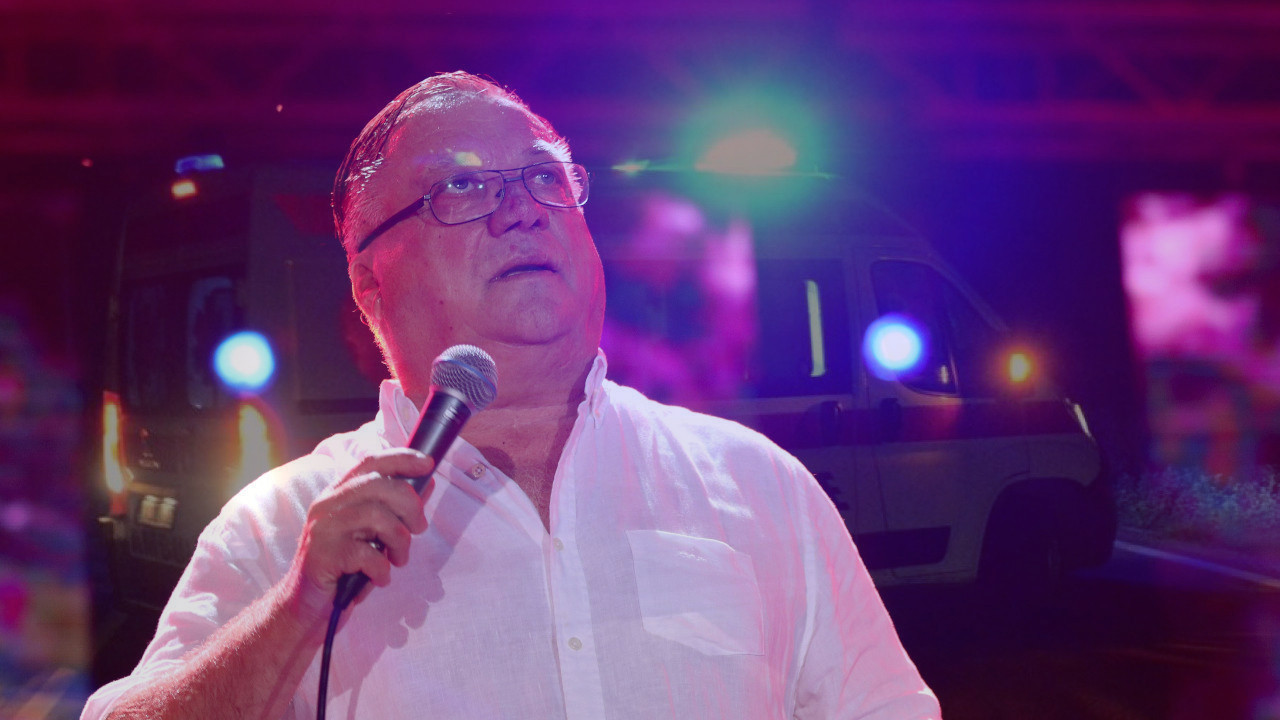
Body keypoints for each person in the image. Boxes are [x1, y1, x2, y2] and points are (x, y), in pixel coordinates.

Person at [82, 71, 941, 720]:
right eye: (462, 187)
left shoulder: (756, 483)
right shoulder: (283, 528)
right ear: (369, 285)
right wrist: (296, 611)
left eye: (543, 179)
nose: (521, 210)